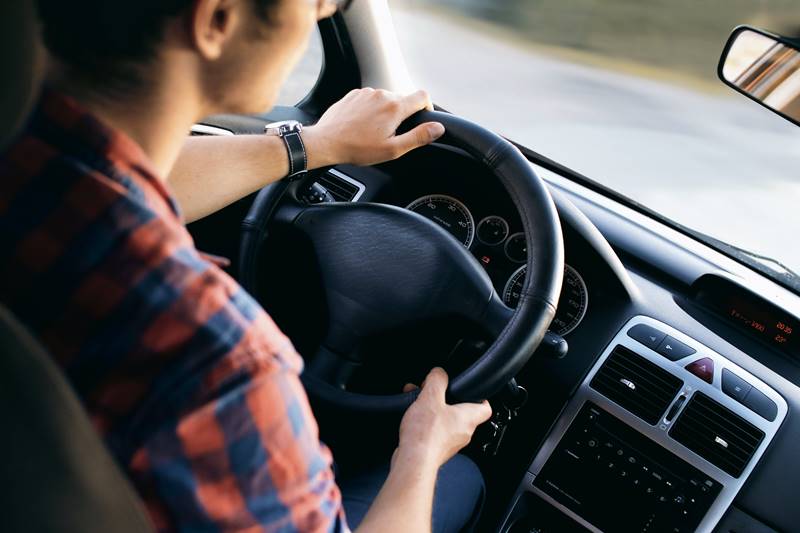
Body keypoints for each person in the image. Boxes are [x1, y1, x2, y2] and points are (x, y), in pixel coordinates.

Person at [0, 0, 493, 532]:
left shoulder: (27, 163)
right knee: (458, 479)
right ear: (217, 19)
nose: (325, 10)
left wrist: (318, 144)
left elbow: (129, 179)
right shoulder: (216, 362)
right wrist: (420, 450)